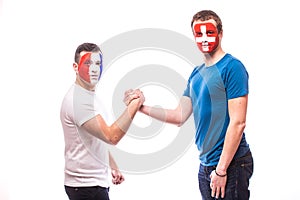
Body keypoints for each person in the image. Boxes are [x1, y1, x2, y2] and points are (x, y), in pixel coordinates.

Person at [124, 10, 253, 200]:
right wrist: (140, 107)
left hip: (230, 164)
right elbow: (179, 116)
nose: (204, 38)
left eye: (209, 32)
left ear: (220, 33)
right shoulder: (196, 73)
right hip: (206, 164)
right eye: (199, 34)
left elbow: (238, 123)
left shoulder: (232, 67)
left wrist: (221, 170)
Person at [60, 42, 144, 200]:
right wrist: (136, 103)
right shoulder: (78, 101)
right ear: (75, 67)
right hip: (85, 187)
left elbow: (97, 136)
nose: (93, 69)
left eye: (97, 63)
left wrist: (112, 164)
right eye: (87, 63)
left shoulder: (88, 96)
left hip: (91, 184)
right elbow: (112, 136)